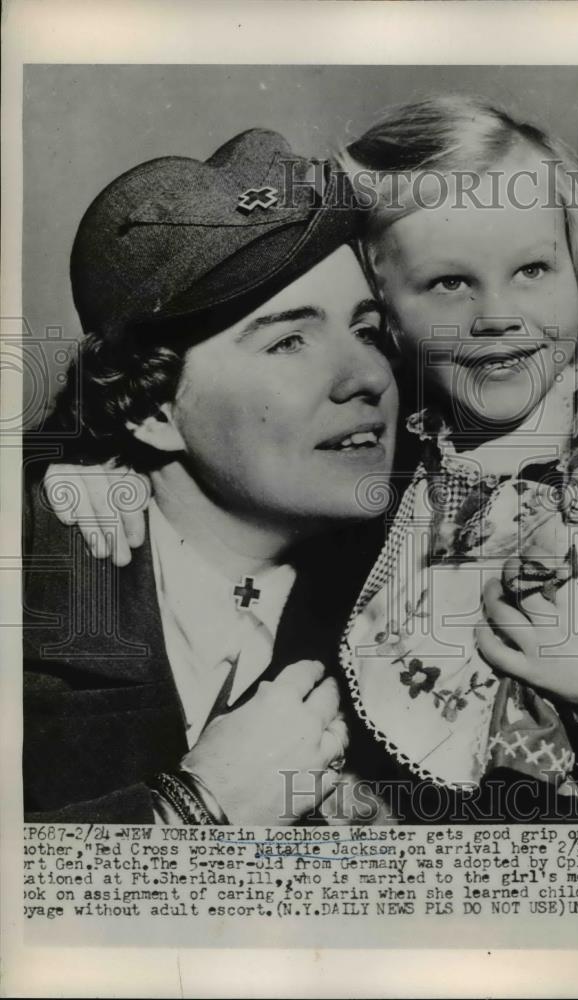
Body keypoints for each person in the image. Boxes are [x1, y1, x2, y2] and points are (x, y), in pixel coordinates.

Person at [45, 98, 578, 820]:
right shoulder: (389, 476)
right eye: (448, 283)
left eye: (534, 268)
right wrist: (89, 459)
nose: (498, 313)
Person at [23, 128, 400, 824]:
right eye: (289, 341)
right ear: (151, 410)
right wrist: (193, 811)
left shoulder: (420, 572)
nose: (370, 376)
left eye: (369, 330)